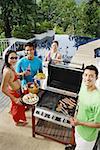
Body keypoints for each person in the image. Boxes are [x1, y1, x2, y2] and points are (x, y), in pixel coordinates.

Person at [69, 65, 100, 150]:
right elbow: (79, 104)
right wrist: (74, 117)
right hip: (78, 129)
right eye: (85, 75)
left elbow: (99, 124)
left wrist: (80, 123)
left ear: (96, 78)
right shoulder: (83, 87)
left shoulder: (98, 99)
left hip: (87, 136)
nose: (87, 78)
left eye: (91, 76)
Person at [1, 50, 27, 126]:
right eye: (12, 58)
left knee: (17, 106)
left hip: (18, 90)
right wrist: (14, 99)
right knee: (17, 108)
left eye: (16, 58)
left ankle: (12, 111)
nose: (14, 60)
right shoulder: (7, 71)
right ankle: (17, 122)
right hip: (14, 93)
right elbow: (2, 89)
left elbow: (15, 75)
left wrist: (23, 74)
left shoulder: (10, 66)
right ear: (7, 58)